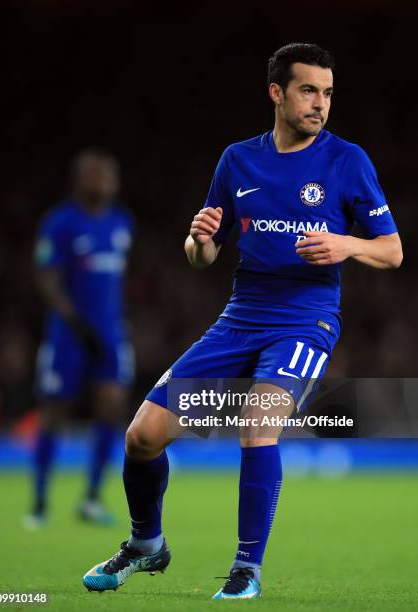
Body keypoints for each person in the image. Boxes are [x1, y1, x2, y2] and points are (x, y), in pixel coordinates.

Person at [83, 43, 402, 599]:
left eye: (327, 93)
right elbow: (203, 252)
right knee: (141, 438)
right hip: (239, 318)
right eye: (308, 90)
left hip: (306, 321)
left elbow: (392, 249)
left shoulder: (347, 160)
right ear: (277, 93)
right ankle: (145, 545)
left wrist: (346, 244)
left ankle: (246, 568)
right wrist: (198, 239)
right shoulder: (237, 160)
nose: (320, 103)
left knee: (258, 422)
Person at [24, 148, 135, 528]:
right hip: (68, 334)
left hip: (110, 332)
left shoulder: (122, 224)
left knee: (112, 405)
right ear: (80, 179)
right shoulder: (60, 222)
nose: (106, 181)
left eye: (110, 174)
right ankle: (39, 501)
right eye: (98, 174)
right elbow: (46, 277)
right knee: (54, 411)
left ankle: (91, 498)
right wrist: (74, 320)